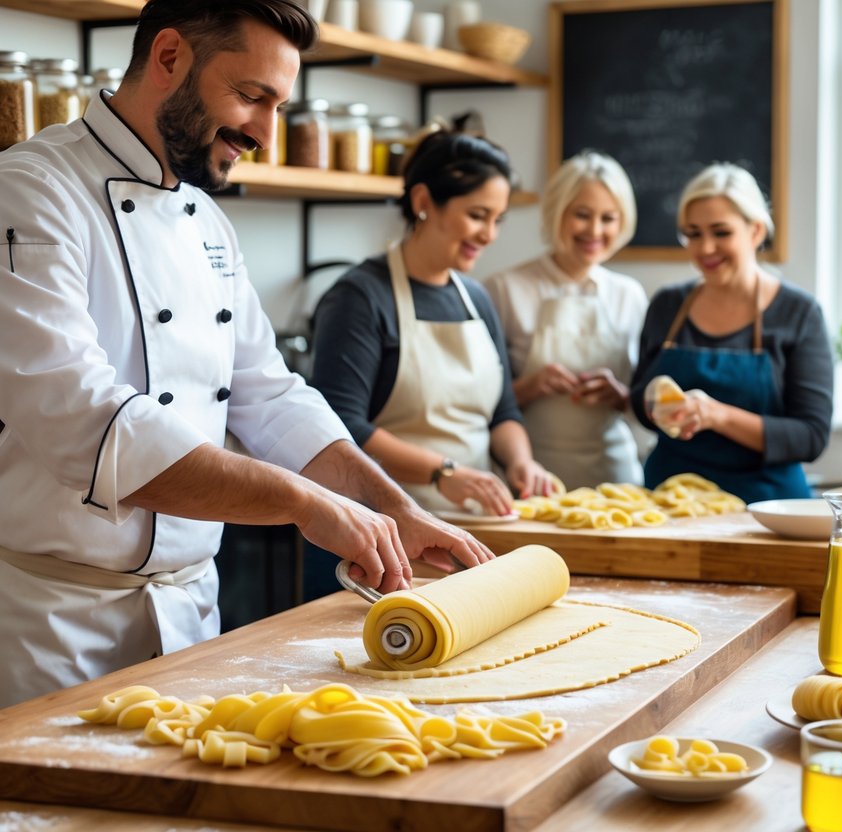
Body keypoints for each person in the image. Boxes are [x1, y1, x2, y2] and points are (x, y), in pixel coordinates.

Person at [0, 0, 492, 709]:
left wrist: (395, 508)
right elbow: (84, 422)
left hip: (192, 615)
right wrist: (301, 501)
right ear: (168, 57)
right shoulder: (31, 191)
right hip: (53, 628)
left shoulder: (206, 221)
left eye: (279, 104)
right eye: (251, 95)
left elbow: (270, 395)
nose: (264, 131)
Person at [310, 128, 552, 521]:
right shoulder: (361, 297)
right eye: (477, 216)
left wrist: (521, 461)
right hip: (379, 525)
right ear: (423, 201)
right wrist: (441, 472)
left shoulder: (475, 298)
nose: (489, 235)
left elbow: (503, 412)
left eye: (498, 220)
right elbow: (341, 425)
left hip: (474, 521)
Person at [629, 163, 833, 505]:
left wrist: (716, 415)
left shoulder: (798, 312)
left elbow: (809, 436)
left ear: (755, 231)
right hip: (670, 503)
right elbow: (640, 401)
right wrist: (657, 406)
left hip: (768, 509)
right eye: (693, 234)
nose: (705, 248)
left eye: (720, 232)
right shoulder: (668, 305)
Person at [483, 151, 649, 489]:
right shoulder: (504, 288)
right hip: (529, 475)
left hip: (616, 477)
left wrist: (619, 396)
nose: (595, 230)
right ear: (557, 213)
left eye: (608, 218)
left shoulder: (628, 295)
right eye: (582, 215)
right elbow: (476, 401)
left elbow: (645, 398)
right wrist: (528, 388)